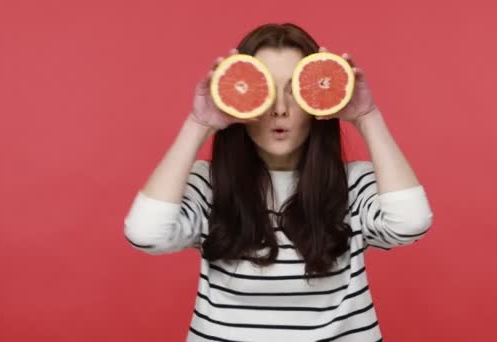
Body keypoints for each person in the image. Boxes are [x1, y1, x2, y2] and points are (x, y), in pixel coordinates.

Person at [123, 22, 434, 342]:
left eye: (294, 91)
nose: (280, 110)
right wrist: (199, 123)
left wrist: (366, 116)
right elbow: (146, 234)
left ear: (318, 102)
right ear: (241, 98)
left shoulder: (352, 183)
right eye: (266, 89)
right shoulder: (209, 185)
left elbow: (410, 223)